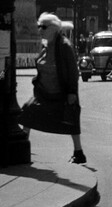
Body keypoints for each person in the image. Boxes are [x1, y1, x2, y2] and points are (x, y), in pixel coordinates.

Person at [19, 13, 86, 164]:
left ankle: (79, 152)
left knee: (71, 120)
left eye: (43, 27)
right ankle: (22, 148)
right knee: (27, 112)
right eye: (38, 26)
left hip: (60, 92)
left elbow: (73, 71)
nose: (40, 30)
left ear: (54, 28)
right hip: (44, 93)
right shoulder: (46, 45)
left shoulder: (64, 46)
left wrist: (72, 92)